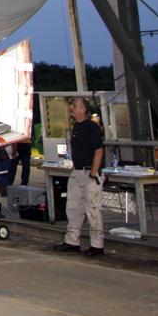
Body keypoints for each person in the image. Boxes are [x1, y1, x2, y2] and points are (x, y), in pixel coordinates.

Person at [53, 96, 106, 257]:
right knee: (73, 207)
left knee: (93, 209)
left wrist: (93, 173)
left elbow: (99, 150)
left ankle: (97, 245)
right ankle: (72, 240)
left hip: (90, 172)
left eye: (75, 106)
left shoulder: (92, 127)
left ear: (83, 109)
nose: (72, 109)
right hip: (77, 171)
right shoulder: (76, 127)